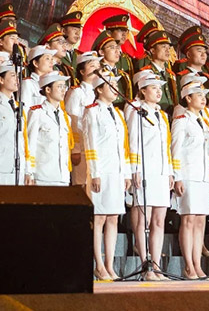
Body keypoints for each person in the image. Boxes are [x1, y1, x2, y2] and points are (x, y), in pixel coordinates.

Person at [83, 75, 131, 281]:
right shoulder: (92, 111)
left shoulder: (118, 113)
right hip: (101, 171)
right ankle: (99, 265)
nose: (115, 88)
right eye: (110, 85)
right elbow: (90, 143)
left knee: (113, 217)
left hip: (116, 171)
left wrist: (126, 173)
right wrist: (95, 173)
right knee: (99, 217)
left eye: (116, 85)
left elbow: (123, 146)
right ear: (99, 89)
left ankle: (110, 265)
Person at [126, 74, 174, 280]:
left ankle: (156, 265)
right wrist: (135, 169)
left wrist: (170, 171)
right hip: (145, 170)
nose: (158, 91)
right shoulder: (136, 111)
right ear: (143, 91)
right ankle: (145, 265)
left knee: (159, 220)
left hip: (161, 171)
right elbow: (133, 141)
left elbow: (167, 146)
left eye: (159, 88)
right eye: (153, 88)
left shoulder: (162, 115)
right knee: (143, 219)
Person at [171, 82, 209, 279]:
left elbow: (207, 153)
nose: (203, 99)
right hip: (188, 175)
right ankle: (188, 265)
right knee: (188, 220)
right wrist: (177, 176)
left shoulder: (204, 121)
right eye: (198, 95)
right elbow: (176, 150)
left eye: (204, 95)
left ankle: (198, 264)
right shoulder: (182, 120)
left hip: (203, 176)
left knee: (200, 221)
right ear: (188, 98)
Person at [24, 72, 73, 186]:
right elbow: (30, 144)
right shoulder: (37, 113)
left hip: (63, 176)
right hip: (43, 175)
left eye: (64, 86)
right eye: (59, 86)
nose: (63, 90)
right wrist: (29, 172)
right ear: (48, 89)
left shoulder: (65, 117)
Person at [65, 51, 102, 187]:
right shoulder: (77, 92)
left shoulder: (100, 92)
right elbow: (72, 121)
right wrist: (75, 149)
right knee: (82, 184)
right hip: (82, 148)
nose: (96, 70)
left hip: (97, 145)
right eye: (92, 66)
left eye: (98, 66)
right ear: (82, 71)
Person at [20, 45, 58, 114]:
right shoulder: (28, 83)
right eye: (47, 59)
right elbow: (24, 110)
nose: (51, 62)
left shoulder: (52, 84)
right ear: (35, 63)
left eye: (52, 59)